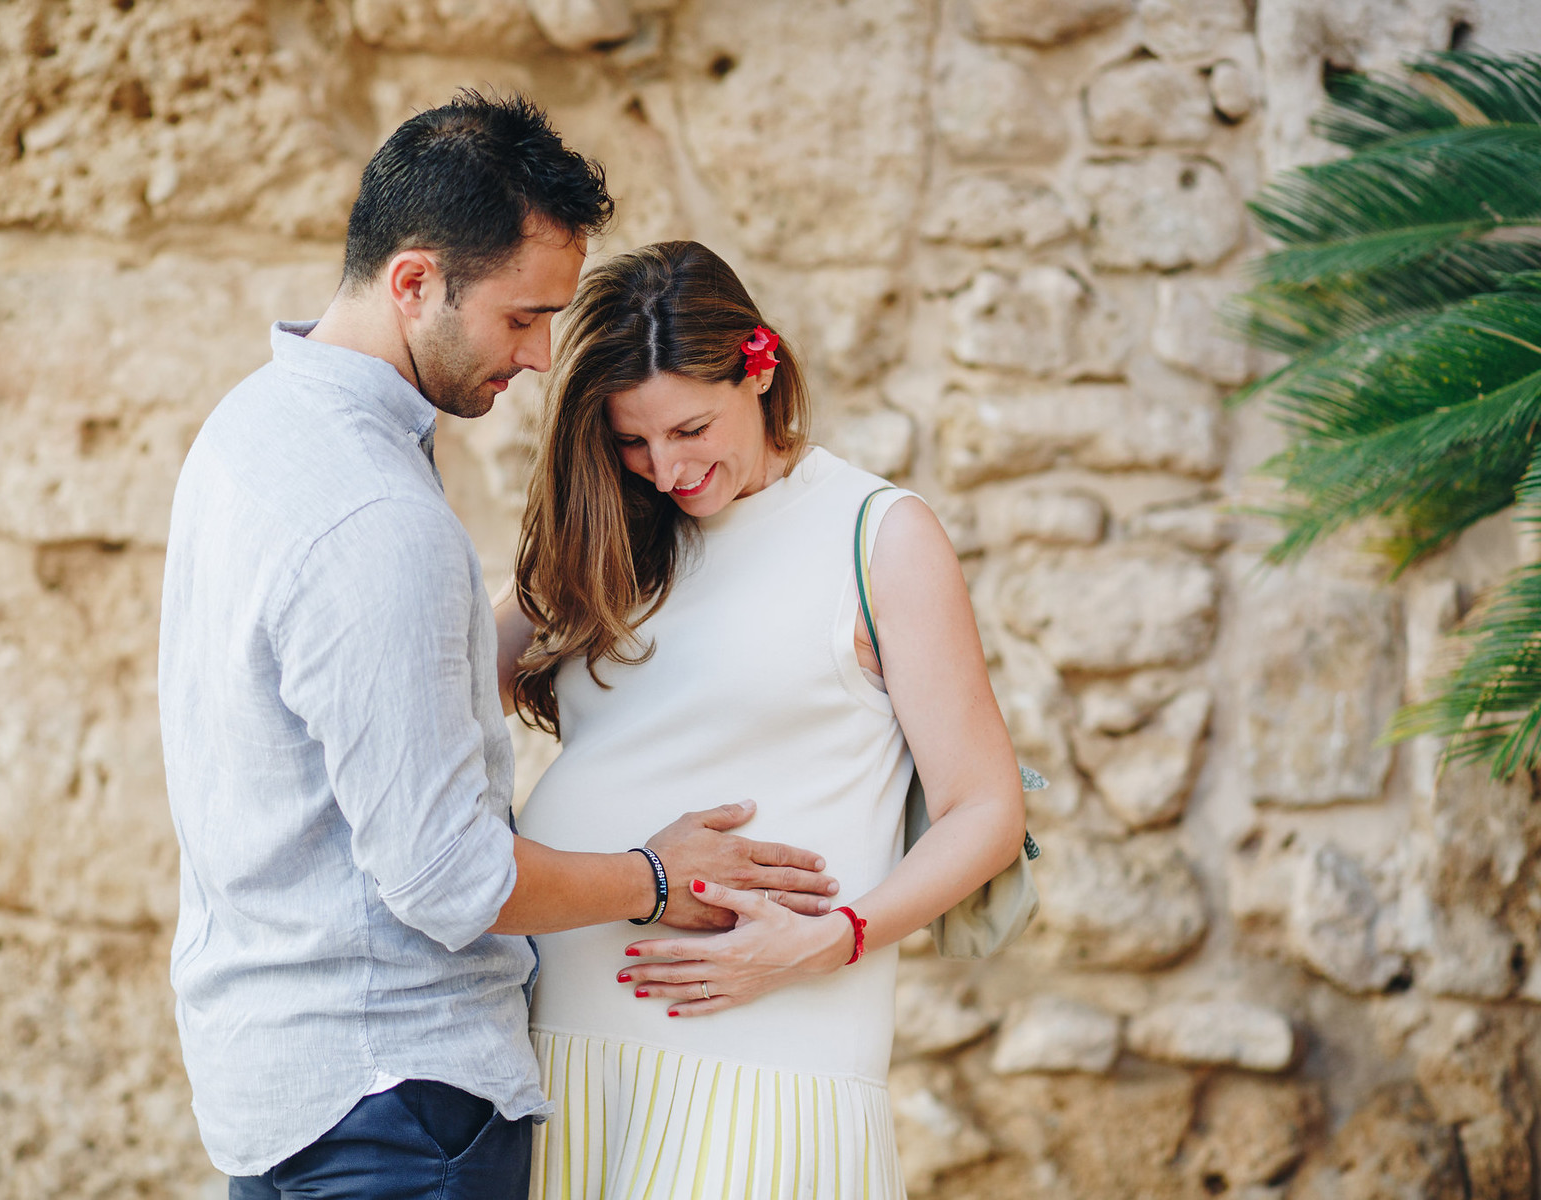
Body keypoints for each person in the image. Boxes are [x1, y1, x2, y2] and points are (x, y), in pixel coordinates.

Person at [159, 96, 838, 1200]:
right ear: (415, 281)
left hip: (283, 1089)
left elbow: (369, 703)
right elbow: (449, 879)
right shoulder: (379, 515)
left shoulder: (248, 432)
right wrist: (659, 879)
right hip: (401, 1109)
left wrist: (568, 586)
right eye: (521, 319)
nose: (535, 358)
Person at [501, 241, 1029, 1198]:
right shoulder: (612, 534)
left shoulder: (879, 535)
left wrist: (838, 937)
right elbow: (438, 690)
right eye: (633, 440)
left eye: (692, 427)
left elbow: (987, 812)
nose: (667, 468)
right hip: (563, 1038)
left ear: (761, 365)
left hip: (769, 1047)